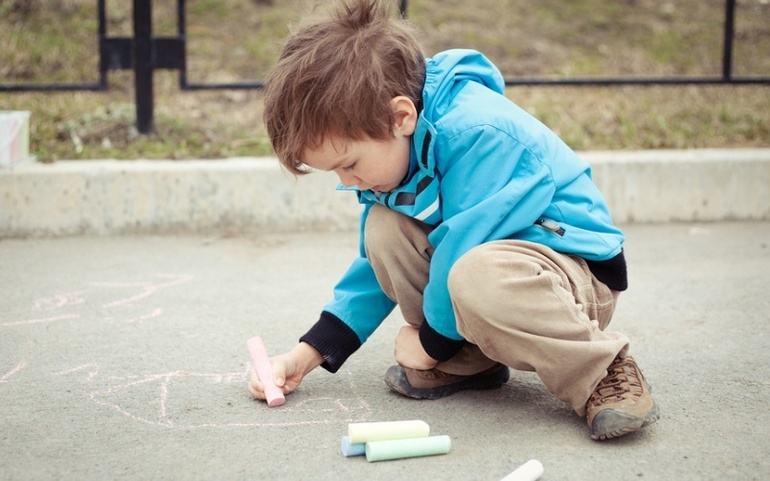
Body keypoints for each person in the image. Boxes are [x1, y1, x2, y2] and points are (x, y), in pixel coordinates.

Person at [248, 0, 660, 441]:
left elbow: (461, 249)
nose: (348, 181)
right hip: (496, 270)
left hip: (573, 276)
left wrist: (428, 344)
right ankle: (467, 360)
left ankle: (602, 370)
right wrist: (308, 353)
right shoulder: (394, 151)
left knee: (475, 275)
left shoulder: (477, 132)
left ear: (400, 116)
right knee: (384, 230)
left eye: (348, 164)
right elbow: (373, 264)